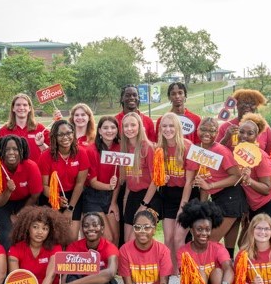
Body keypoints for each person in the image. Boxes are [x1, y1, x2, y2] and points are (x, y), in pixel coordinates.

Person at [184, 117, 244, 256]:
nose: (207, 133)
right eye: (203, 129)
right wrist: (202, 208)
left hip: (231, 197)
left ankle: (220, 267)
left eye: (212, 130)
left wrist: (210, 185)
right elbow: (202, 181)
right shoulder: (197, 151)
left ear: (217, 132)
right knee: (218, 245)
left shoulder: (221, 150)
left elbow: (237, 176)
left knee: (209, 241)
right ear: (197, 130)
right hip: (217, 197)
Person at [0, 134, 43, 250]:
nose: (11, 152)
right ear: (1, 151)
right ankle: (7, 259)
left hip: (26, 201)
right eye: (7, 149)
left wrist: (19, 215)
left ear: (21, 150)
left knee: (26, 233)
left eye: (15, 149)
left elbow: (35, 196)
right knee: (7, 236)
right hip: (3, 203)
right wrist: (8, 191)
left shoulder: (31, 166)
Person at [114, 112, 161, 244]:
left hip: (148, 197)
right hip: (132, 197)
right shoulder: (125, 149)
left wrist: (144, 205)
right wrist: (125, 200)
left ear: (140, 126)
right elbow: (129, 180)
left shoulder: (148, 148)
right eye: (126, 126)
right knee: (127, 242)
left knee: (135, 239)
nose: (129, 129)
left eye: (133, 125)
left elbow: (155, 181)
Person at [39, 119, 89, 240]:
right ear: (54, 137)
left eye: (68, 133)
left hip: (73, 197)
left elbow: (80, 183)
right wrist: (56, 199)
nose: (65, 137)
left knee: (71, 238)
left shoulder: (81, 153)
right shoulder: (45, 156)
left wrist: (70, 209)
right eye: (60, 134)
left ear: (73, 133)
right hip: (51, 196)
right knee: (54, 237)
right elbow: (44, 186)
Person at [156, 112, 196, 263]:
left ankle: (184, 272)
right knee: (168, 239)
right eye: (164, 126)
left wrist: (182, 207)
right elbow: (158, 177)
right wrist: (162, 179)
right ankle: (171, 273)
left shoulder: (187, 147)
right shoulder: (160, 148)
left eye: (171, 126)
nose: (168, 129)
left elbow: (189, 181)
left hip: (187, 195)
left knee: (179, 239)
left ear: (178, 127)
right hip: (169, 195)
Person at [237, 114, 271, 228]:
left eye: (250, 133)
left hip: (270, 206)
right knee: (246, 239)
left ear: (256, 136)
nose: (244, 136)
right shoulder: (238, 153)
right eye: (241, 132)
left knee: (259, 238)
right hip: (253, 207)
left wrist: (249, 180)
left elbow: (266, 189)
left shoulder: (260, 156)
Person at [83, 116, 121, 244]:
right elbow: (93, 182)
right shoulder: (91, 150)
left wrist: (114, 202)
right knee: (107, 238)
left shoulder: (120, 148)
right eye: (105, 128)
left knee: (116, 237)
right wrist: (109, 186)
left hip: (112, 196)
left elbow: (119, 180)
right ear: (99, 130)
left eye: (113, 127)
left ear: (117, 130)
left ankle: (113, 258)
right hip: (93, 197)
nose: (109, 131)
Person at [0, 93, 48, 161]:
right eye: (18, 105)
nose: (21, 108)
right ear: (13, 108)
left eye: (25, 105)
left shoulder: (40, 128)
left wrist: (58, 121)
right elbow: (0, 155)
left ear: (29, 108)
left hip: (36, 167)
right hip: (13, 168)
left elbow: (53, 150)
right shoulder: (4, 130)